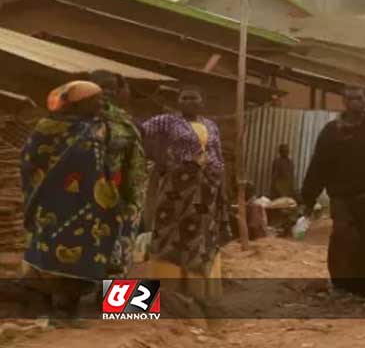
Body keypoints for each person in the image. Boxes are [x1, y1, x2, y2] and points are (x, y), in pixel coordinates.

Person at [20, 81, 139, 319]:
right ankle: (57, 312)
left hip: (109, 197)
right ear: (79, 102)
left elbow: (131, 157)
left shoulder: (119, 123)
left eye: (112, 91)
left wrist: (127, 192)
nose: (104, 100)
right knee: (53, 256)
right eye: (97, 97)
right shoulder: (49, 127)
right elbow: (31, 160)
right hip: (62, 203)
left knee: (115, 253)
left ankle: (122, 313)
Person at [300, 88, 365, 298]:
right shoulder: (332, 132)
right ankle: (341, 286)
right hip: (343, 199)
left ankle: (362, 290)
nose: (356, 102)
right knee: (343, 239)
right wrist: (308, 198)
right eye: (351, 98)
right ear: (344, 101)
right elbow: (319, 165)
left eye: (360, 98)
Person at [140, 86, 229, 303]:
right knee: (170, 233)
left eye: (194, 97)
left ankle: (197, 293)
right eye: (184, 98)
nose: (189, 101)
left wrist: (222, 185)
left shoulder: (211, 125)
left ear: (202, 101)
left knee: (201, 235)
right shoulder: (166, 121)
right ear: (178, 101)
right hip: (177, 189)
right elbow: (139, 132)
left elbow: (218, 156)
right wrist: (159, 158)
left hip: (208, 189)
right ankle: (162, 292)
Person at [88, 70, 147, 278]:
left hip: (119, 194)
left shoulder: (124, 121)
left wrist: (132, 196)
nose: (109, 91)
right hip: (79, 196)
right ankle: (67, 304)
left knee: (121, 253)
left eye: (113, 87)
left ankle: (123, 307)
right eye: (103, 86)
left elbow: (135, 160)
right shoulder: (72, 117)